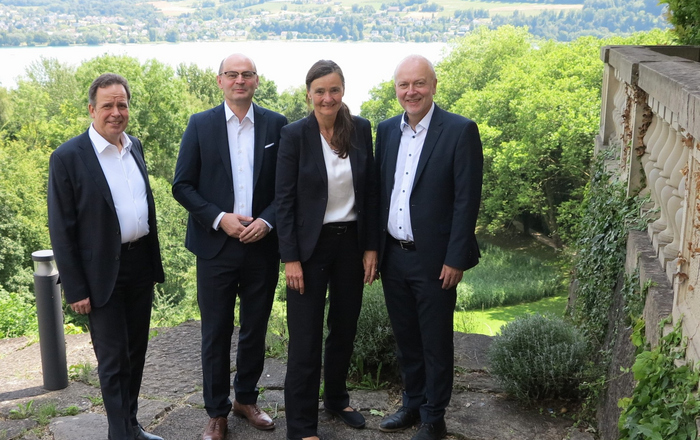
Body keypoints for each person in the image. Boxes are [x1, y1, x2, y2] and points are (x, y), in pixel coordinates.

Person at [172, 53, 287, 440]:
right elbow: (182, 185)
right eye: (232, 75)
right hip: (215, 247)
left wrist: (267, 221)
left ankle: (246, 399)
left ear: (257, 81)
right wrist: (221, 218)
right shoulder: (200, 125)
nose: (240, 80)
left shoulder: (277, 124)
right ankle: (217, 412)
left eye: (247, 75)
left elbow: (287, 188)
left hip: (261, 246)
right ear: (219, 81)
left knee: (255, 329)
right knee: (216, 332)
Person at [47, 73, 165, 440]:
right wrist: (76, 288)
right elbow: (61, 229)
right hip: (100, 274)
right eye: (108, 105)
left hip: (139, 265)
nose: (116, 112)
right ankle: (121, 435)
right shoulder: (68, 157)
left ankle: (131, 423)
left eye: (122, 104)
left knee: (135, 354)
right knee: (113, 361)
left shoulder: (136, 147)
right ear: (92, 109)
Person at [375, 55, 483, 440]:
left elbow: (466, 201)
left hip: (436, 260)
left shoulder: (459, 130)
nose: (411, 91)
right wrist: (374, 251)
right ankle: (411, 404)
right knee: (406, 338)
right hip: (394, 256)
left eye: (419, 83)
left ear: (434, 86)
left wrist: (456, 258)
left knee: (435, 341)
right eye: (404, 85)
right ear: (396, 89)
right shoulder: (386, 131)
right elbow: (379, 194)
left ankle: (434, 418)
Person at [276, 60, 378, 440]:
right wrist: (290, 258)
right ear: (309, 94)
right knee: (305, 339)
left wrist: (371, 248)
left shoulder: (360, 129)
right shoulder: (294, 135)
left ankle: (336, 398)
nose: (327, 97)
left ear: (343, 91)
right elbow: (283, 201)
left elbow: (370, 191)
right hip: (309, 249)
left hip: (351, 242)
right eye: (320, 91)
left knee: (344, 328)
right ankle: (301, 426)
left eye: (334, 90)